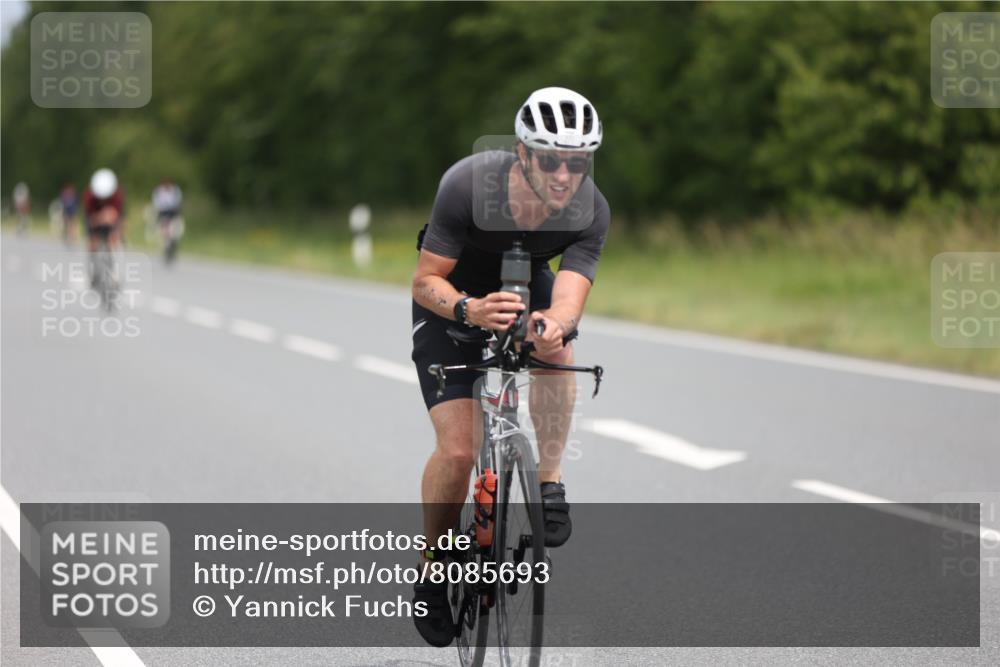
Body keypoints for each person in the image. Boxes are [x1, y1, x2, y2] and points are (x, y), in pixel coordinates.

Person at [409, 87, 609, 646]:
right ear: (522, 153)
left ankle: (549, 483)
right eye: (550, 160)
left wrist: (554, 324)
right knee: (458, 450)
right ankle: (433, 568)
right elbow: (425, 281)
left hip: (525, 284)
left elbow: (568, 298)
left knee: (557, 350)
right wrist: (469, 309)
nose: (564, 175)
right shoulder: (468, 184)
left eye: (577, 162)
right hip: (454, 296)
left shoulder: (591, 209)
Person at [82, 169, 125, 284]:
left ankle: (115, 272)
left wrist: (116, 228)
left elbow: (119, 217)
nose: (103, 199)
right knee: (93, 242)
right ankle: (93, 270)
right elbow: (90, 218)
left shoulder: (117, 195)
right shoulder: (89, 196)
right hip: (95, 219)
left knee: (115, 240)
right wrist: (100, 218)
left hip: (112, 220)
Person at [151, 180, 184, 263]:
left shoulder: (175, 191)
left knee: (175, 232)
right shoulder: (159, 191)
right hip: (163, 213)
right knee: (163, 231)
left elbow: (178, 202)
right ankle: (165, 247)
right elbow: (156, 203)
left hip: (173, 213)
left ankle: (172, 245)